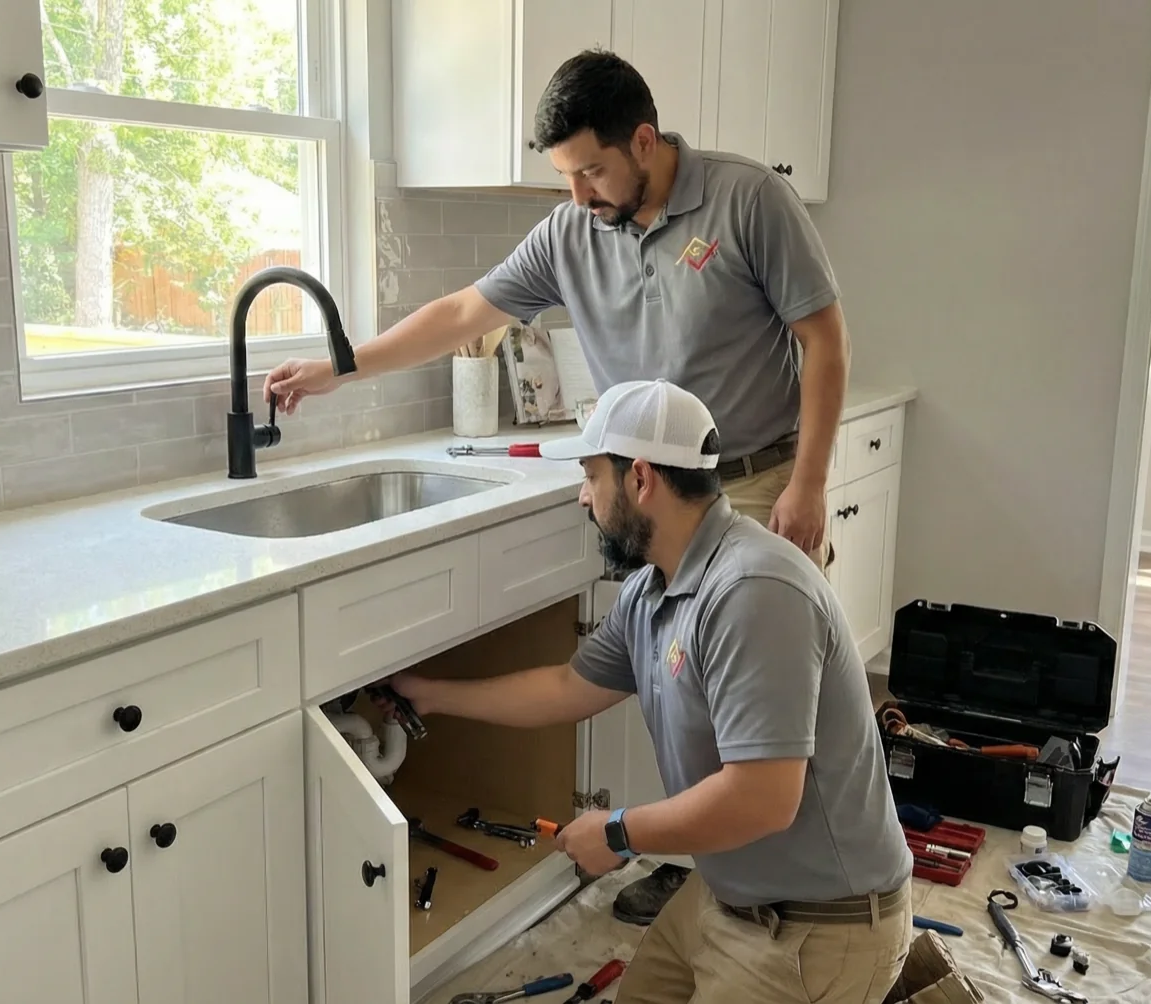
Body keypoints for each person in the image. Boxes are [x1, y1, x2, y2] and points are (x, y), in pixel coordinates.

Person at [269, 50, 853, 921]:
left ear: (644, 142)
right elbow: (464, 314)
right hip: (646, 489)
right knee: (670, 682)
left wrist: (809, 483)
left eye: (590, 170)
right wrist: (340, 368)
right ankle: (704, 867)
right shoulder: (572, 231)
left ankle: (779, 887)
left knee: (747, 706)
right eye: (564, 175)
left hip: (753, 478)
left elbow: (824, 341)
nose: (577, 193)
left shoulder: (747, 198)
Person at [379, 379, 914, 1004]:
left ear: (639, 479)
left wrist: (619, 833)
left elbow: (764, 799)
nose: (583, 496)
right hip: (726, 896)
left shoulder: (753, 592)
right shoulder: (653, 592)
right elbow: (565, 687)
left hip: (814, 929)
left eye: (590, 476)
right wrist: (431, 694)